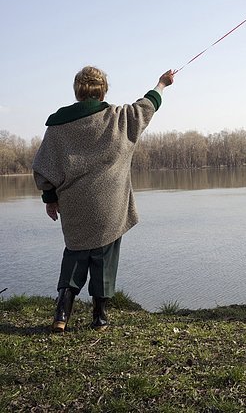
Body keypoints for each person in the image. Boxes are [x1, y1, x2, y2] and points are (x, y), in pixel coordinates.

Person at [32, 66, 174, 332]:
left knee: (75, 255)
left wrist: (50, 198)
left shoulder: (58, 126)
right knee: (104, 258)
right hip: (109, 205)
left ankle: (62, 313)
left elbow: (43, 167)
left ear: (77, 91)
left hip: (74, 206)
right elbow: (147, 105)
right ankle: (100, 317)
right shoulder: (118, 118)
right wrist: (162, 83)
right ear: (103, 90)